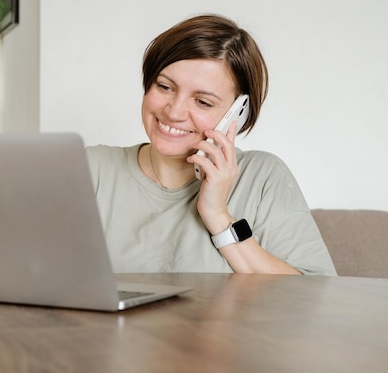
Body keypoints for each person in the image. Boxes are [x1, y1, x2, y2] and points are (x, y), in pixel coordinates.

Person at [86, 14, 337, 275]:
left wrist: (218, 216)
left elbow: (313, 299)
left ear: (237, 113)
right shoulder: (91, 169)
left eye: (202, 102)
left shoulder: (262, 178)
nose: (174, 111)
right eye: (164, 87)